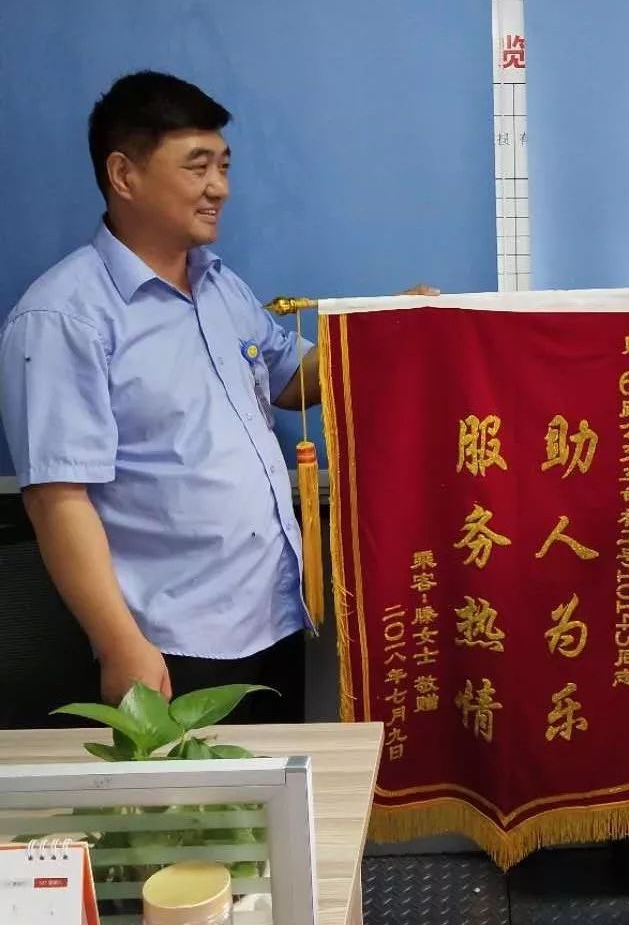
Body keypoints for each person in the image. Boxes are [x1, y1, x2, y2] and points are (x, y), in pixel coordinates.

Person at [0, 71, 434, 720]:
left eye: (224, 166)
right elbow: (57, 498)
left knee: (277, 784)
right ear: (124, 175)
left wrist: (384, 332)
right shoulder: (64, 317)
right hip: (168, 643)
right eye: (198, 166)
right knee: (196, 792)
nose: (220, 188)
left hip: (275, 616)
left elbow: (291, 382)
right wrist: (120, 645)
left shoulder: (220, 286)